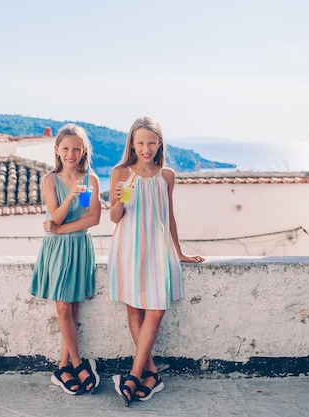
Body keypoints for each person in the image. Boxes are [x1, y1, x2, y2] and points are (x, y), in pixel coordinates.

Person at [108, 116, 204, 406]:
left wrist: (179, 252)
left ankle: (134, 375)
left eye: (151, 142)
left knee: (156, 311)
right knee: (134, 309)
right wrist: (119, 198)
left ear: (160, 143)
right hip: (128, 247)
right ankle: (150, 374)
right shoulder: (121, 173)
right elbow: (114, 218)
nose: (146, 148)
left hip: (158, 249)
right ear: (132, 144)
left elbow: (169, 216)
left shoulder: (167, 176)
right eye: (140, 143)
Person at [30, 124, 102, 395]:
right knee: (63, 309)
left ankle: (62, 367)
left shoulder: (91, 179)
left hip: (79, 245)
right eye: (65, 148)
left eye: (76, 148)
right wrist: (71, 197)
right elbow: (56, 216)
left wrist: (59, 228)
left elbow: (93, 218)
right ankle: (78, 363)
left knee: (72, 310)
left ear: (83, 151)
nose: (71, 153)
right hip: (58, 249)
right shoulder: (50, 179)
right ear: (56, 150)